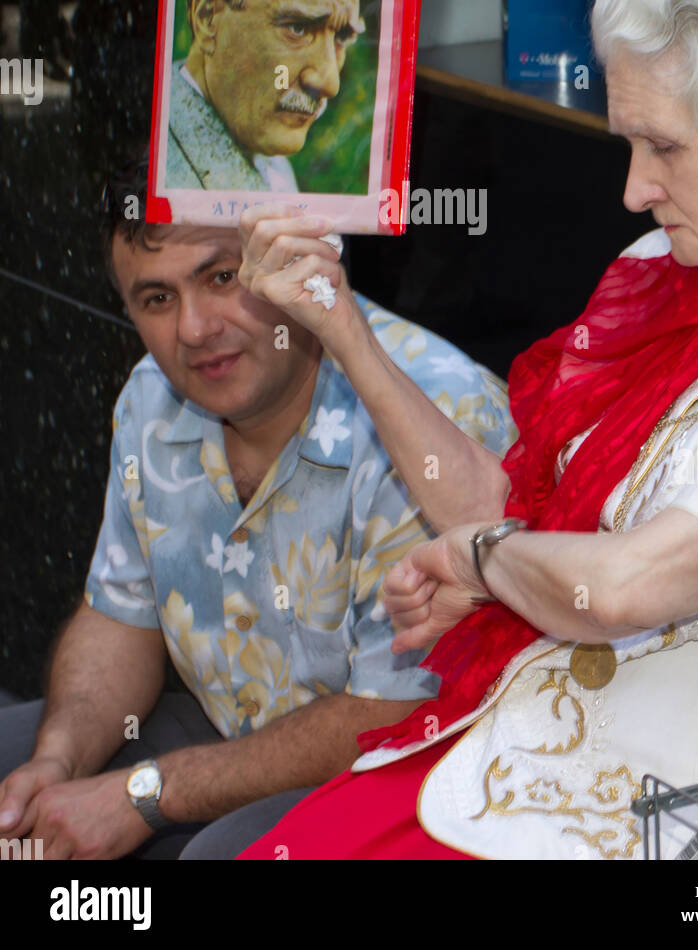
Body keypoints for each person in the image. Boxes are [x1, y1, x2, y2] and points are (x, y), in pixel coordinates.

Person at [236, 0, 698, 861]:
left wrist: (483, 564)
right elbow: (515, 514)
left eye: (665, 148)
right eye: (627, 143)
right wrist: (342, 328)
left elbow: (624, 586)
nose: (633, 189)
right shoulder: (673, 266)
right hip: (530, 751)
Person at [0, 156, 515, 859]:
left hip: (407, 775)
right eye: (155, 298)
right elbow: (121, 614)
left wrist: (147, 794)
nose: (194, 328)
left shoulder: (434, 417)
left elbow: (394, 713)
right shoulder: (153, 397)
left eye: (222, 277)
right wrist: (58, 762)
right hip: (225, 728)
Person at [167, 0, 364, 192]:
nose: (329, 82)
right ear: (208, 16)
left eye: (341, 36)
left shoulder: (273, 166)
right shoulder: (159, 171)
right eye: (298, 28)